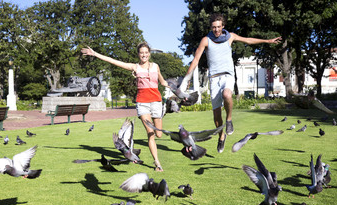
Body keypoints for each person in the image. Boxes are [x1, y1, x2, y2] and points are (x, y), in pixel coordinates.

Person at [180, 13, 281, 153]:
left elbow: (248, 40)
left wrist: (267, 41)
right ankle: (221, 136)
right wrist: (187, 77)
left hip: (228, 75)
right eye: (214, 27)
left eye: (219, 27)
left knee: (227, 94)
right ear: (211, 27)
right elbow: (196, 59)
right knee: (216, 116)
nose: (216, 30)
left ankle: (229, 120)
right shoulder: (206, 40)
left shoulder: (230, 37)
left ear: (223, 26)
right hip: (214, 78)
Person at [81, 42, 168, 171]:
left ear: (149, 53)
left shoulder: (156, 66)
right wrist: (95, 54)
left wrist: (168, 84)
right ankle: (157, 163)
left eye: (146, 52)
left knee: (159, 134)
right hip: (142, 103)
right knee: (150, 133)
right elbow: (113, 61)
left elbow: (161, 80)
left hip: (156, 102)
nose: (144, 55)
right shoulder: (135, 67)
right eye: (141, 52)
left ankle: (155, 154)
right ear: (138, 54)